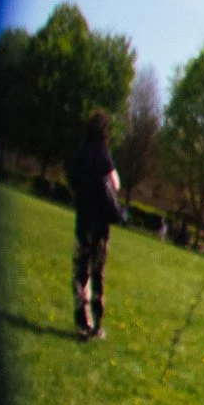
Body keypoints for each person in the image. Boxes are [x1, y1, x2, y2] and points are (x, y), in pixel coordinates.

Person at [65, 109, 122, 339]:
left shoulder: (81, 153)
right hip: (101, 228)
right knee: (98, 273)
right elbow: (115, 184)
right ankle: (97, 323)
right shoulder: (103, 154)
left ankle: (82, 321)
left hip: (83, 223)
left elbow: (73, 184)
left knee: (81, 272)